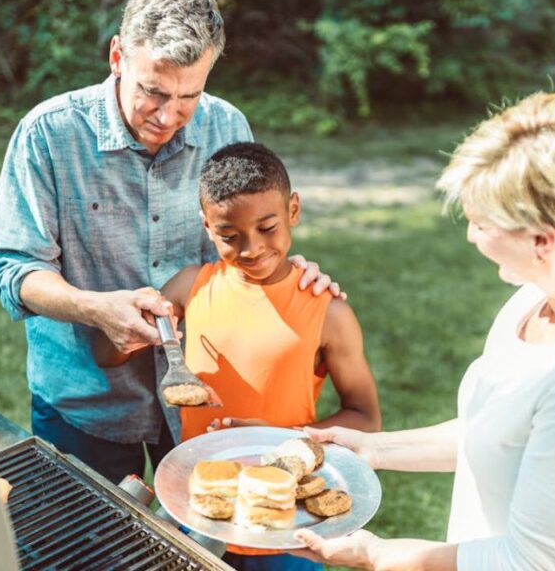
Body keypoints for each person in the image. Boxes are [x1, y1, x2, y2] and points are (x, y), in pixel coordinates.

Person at [293, 92, 555, 570]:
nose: (471, 236)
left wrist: (375, 553)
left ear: (543, 240)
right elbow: (498, 435)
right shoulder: (536, 301)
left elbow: (531, 564)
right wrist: (374, 448)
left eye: (481, 222)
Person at [0, 0, 338, 485]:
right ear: (117, 57)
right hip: (86, 403)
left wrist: (287, 275)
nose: (169, 115)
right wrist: (94, 308)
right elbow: (16, 268)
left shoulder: (227, 128)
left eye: (189, 95)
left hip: (206, 398)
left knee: (209, 554)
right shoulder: (48, 134)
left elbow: (243, 245)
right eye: (153, 91)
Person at [95, 142, 381, 571]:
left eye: (268, 227)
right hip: (201, 508)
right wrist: (129, 323)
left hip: (287, 522)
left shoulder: (328, 312)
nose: (250, 248)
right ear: (206, 227)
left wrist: (285, 438)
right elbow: (107, 355)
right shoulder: (189, 288)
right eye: (229, 236)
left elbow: (365, 416)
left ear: (293, 211)